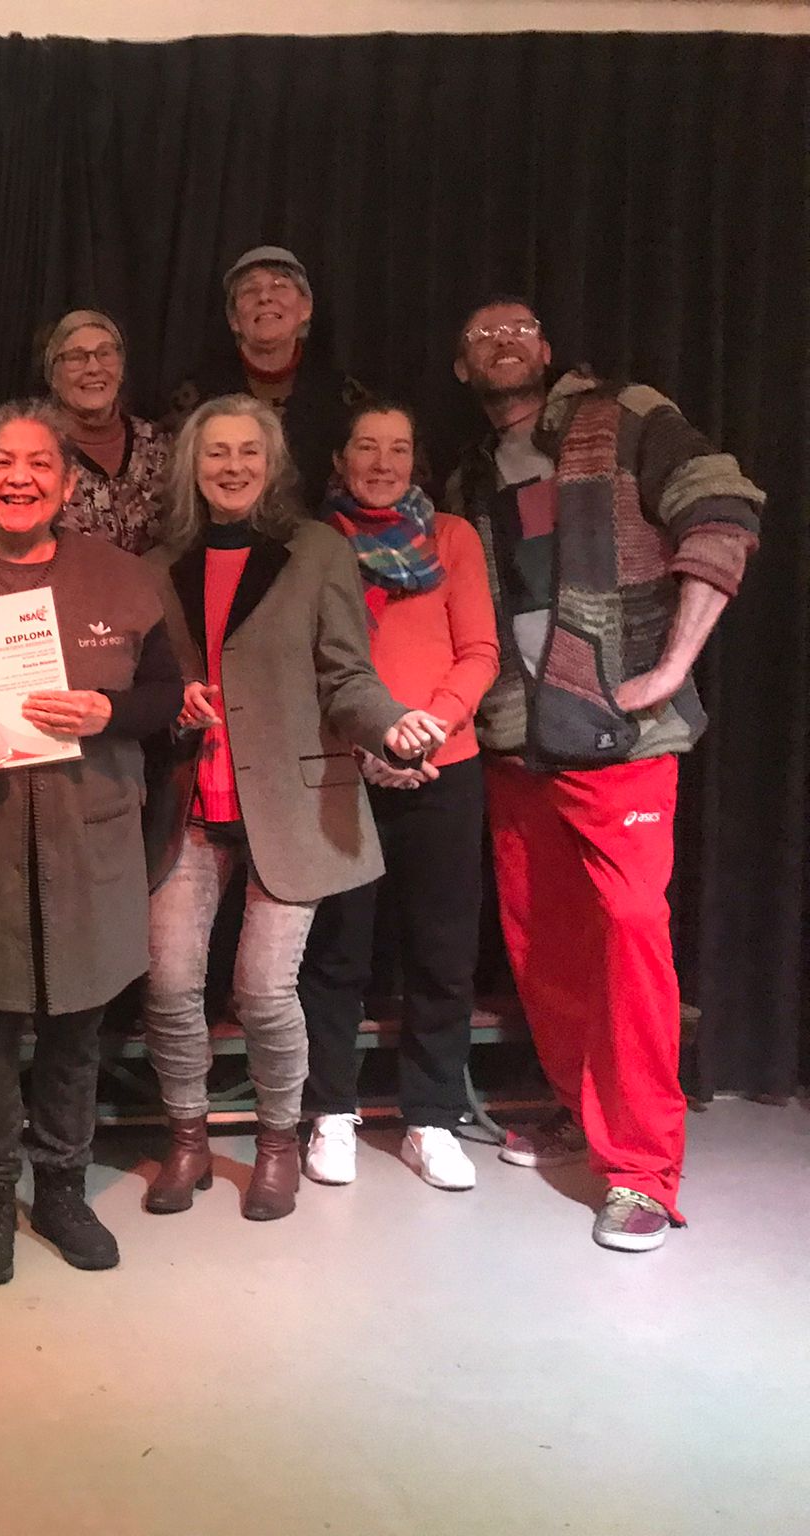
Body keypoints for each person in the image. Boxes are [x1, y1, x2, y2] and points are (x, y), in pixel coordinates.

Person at [446, 295, 763, 1253]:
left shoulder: (624, 417)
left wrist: (672, 669)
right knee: (544, 940)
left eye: (519, 329)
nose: (503, 343)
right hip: (517, 741)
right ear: (462, 367)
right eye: (482, 337)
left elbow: (723, 510)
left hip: (620, 739)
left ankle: (642, 1172)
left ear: (546, 347)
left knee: (628, 932)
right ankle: (581, 1107)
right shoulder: (467, 475)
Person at [0, 401, 183, 1286]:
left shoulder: (125, 580)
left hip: (90, 840)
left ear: (68, 481)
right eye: (2, 463)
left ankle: (61, 1188)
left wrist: (107, 712)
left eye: (40, 463)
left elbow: (166, 698)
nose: (20, 479)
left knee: (78, 1026)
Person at [141, 395, 449, 1223]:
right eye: (216, 452)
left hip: (291, 804)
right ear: (192, 465)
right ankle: (187, 1140)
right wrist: (171, 707)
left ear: (272, 463)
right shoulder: (159, 562)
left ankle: (278, 1142)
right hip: (190, 803)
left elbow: (347, 676)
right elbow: (148, 685)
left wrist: (391, 726)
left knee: (263, 991)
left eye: (249, 451)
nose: (232, 466)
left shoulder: (316, 552)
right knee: (169, 984)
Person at [295, 402, 499, 1191]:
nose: (382, 464)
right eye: (366, 447)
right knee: (337, 951)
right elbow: (305, 663)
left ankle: (431, 1119)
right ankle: (332, 1111)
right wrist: (371, 740)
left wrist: (425, 733)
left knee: (442, 952)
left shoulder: (453, 537)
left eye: (399, 449)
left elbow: (479, 652)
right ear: (339, 458)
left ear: (417, 460)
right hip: (348, 766)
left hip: (446, 766)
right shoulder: (313, 544)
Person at [166, 246, 365, 507]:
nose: (264, 297)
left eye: (279, 286)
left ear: (305, 308)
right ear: (234, 319)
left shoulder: (345, 395)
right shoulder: (195, 396)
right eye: (250, 290)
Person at [39, 308, 172, 555]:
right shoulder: (34, 450)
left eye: (105, 353)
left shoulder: (159, 445)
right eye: (76, 357)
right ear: (53, 376)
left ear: (121, 368)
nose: (93, 367)